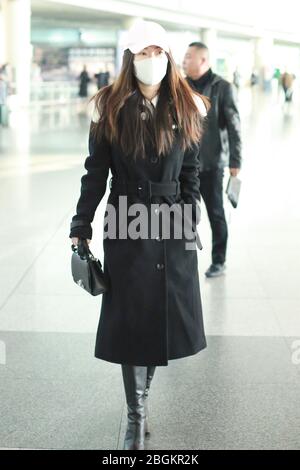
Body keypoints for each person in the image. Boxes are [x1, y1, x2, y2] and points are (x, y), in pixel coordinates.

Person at [69, 20, 208, 450]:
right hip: (127, 222)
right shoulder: (110, 107)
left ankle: (141, 403)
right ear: (131, 58)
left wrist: (188, 214)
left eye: (157, 52)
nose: (151, 61)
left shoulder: (187, 107)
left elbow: (191, 172)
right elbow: (95, 175)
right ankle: (136, 415)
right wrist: (81, 227)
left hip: (171, 222)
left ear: (168, 56)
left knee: (159, 315)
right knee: (132, 317)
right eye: (142, 53)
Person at [183, 42, 242, 278]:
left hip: (212, 164)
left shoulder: (222, 87)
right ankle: (184, 260)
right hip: (184, 165)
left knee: (215, 213)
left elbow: (235, 126)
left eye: (188, 57)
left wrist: (235, 160)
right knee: (184, 214)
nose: (184, 61)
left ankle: (219, 260)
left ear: (203, 61)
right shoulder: (180, 86)